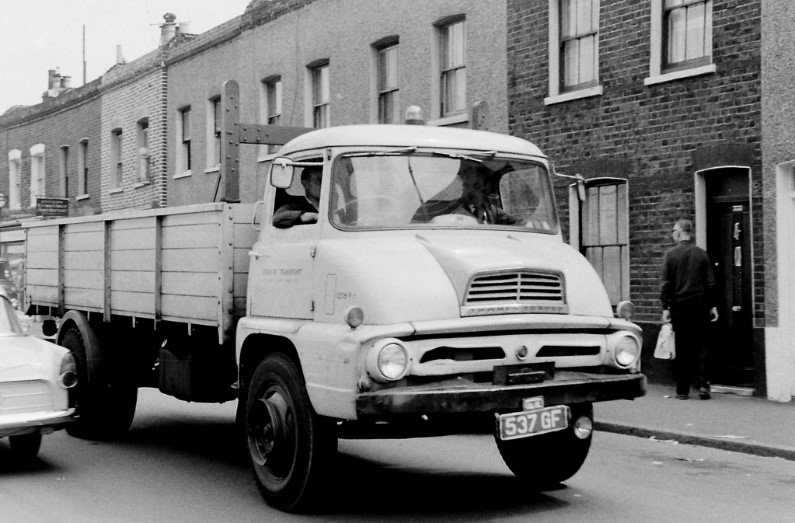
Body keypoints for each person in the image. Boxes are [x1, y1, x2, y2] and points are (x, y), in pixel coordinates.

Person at [660, 218, 719, 400]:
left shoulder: (670, 255)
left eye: (674, 231)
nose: (673, 234)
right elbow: (710, 282)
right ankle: (703, 386)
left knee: (682, 347)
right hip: (700, 305)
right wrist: (713, 305)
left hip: (679, 306)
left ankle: (682, 390)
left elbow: (666, 283)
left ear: (680, 232)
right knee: (702, 346)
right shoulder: (701, 254)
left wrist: (665, 307)